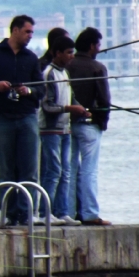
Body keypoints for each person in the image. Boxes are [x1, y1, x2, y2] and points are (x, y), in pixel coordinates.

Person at [0, 15, 45, 225]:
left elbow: (40, 90)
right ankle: (8, 213)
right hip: (0, 117)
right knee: (5, 170)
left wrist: (27, 90)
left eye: (31, 32)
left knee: (29, 169)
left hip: (26, 117)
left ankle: (26, 213)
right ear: (15, 30)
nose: (30, 36)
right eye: (27, 31)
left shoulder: (31, 58)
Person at [38, 36, 86, 226]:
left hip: (65, 129)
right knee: (53, 171)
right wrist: (69, 109)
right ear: (56, 53)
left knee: (66, 171)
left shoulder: (65, 73)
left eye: (72, 52)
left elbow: (71, 99)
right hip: (50, 130)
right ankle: (44, 212)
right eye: (68, 52)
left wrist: (80, 109)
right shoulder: (48, 74)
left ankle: (62, 211)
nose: (71, 56)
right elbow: (48, 106)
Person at [67, 27, 111, 226]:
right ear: (92, 46)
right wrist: (102, 122)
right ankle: (90, 213)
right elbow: (104, 100)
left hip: (66, 124)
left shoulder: (67, 66)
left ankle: (68, 212)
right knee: (89, 171)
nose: (99, 49)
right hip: (90, 125)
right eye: (98, 45)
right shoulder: (97, 68)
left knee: (69, 170)